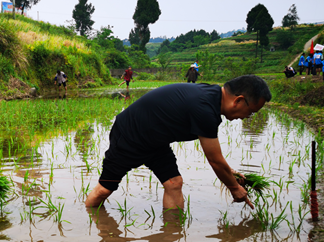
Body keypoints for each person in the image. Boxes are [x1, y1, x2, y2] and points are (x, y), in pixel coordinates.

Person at [85, 75, 272, 211]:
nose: (248, 117)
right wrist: (234, 188)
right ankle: (88, 224)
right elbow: (214, 160)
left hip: (155, 141)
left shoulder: (212, 98)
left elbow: (211, 151)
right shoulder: (205, 107)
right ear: (239, 100)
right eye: (251, 112)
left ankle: (171, 235)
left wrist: (228, 172)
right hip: (130, 136)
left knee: (174, 183)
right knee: (105, 189)